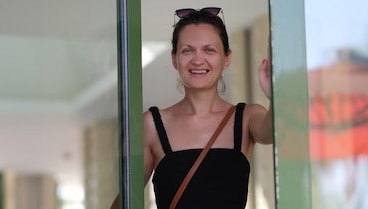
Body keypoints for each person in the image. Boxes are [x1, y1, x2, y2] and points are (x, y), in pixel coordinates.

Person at [111, 6, 273, 209]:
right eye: (187, 50)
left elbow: (272, 132)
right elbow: (126, 201)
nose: (198, 60)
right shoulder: (152, 125)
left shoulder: (246, 117)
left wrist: (275, 93)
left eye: (209, 50)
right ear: (174, 59)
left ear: (227, 58)